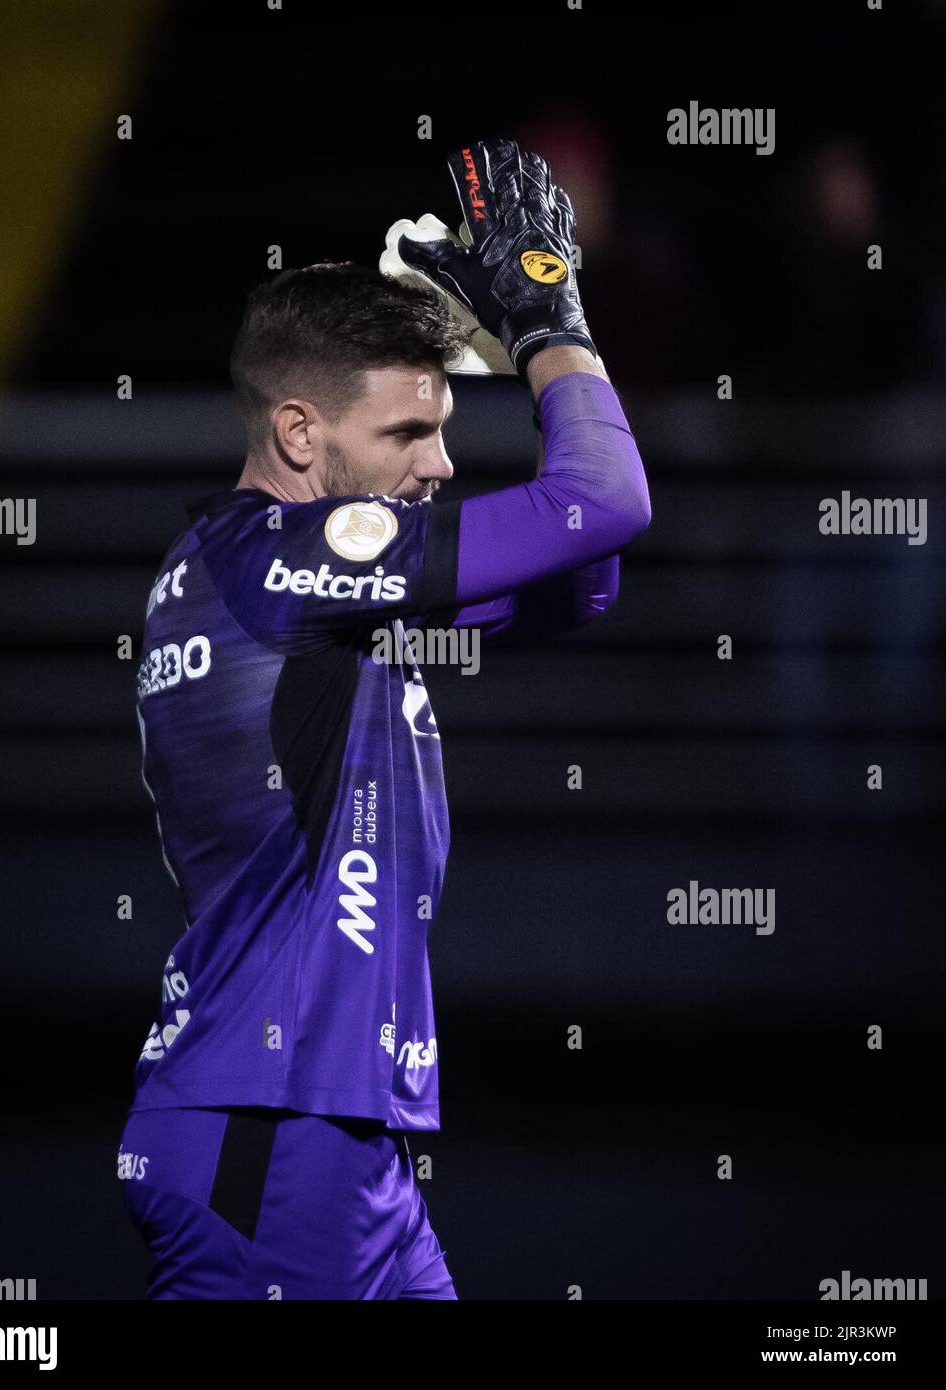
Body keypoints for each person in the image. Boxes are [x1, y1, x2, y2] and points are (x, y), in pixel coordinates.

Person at [115, 138, 651, 1299]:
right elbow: (603, 499)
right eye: (408, 435)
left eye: (446, 427)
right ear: (300, 434)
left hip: (320, 1127)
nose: (442, 462)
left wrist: (510, 348)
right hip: (277, 1126)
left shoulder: (284, 579)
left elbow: (582, 574)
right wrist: (548, 320)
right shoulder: (287, 566)